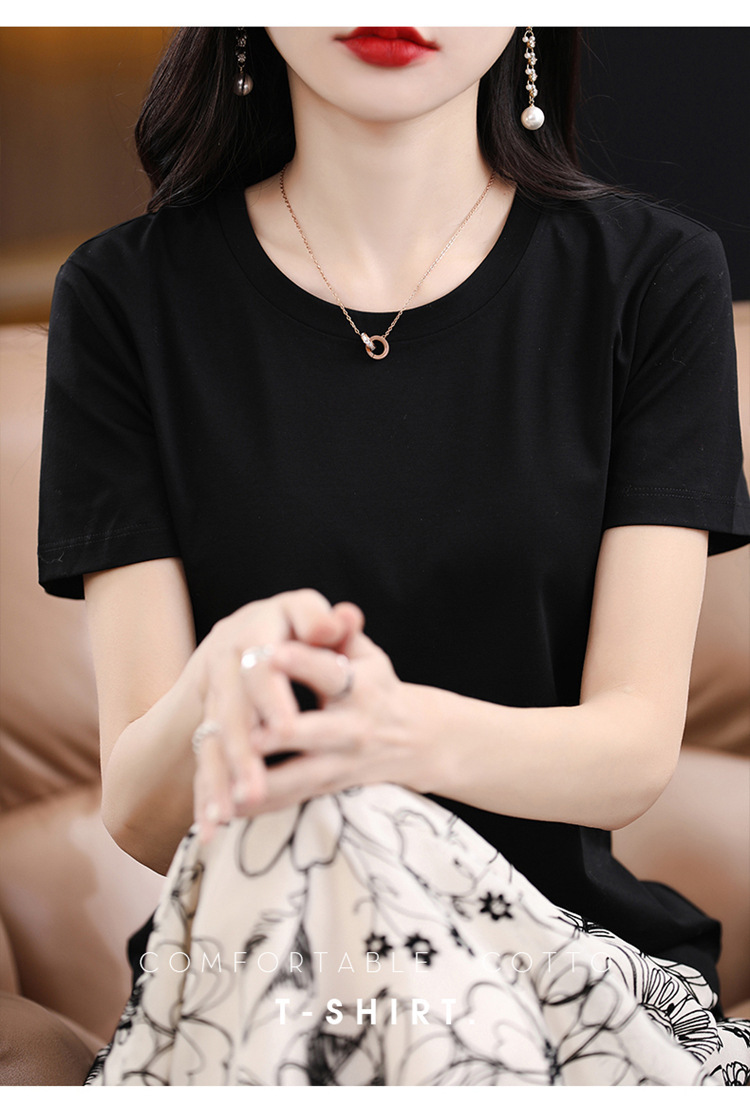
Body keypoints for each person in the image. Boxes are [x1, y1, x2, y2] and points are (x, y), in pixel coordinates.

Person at [37, 27, 750, 1086]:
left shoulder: (653, 277)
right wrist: (227, 673)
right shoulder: (121, 298)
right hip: (260, 973)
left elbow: (632, 751)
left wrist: (381, 733)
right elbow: (140, 812)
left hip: (550, 966)